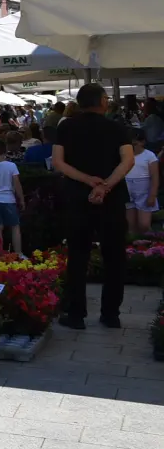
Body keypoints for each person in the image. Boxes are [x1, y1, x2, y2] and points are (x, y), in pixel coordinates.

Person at [54, 83, 133, 330]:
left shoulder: (66, 126)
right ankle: (111, 314)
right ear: (102, 102)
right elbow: (128, 160)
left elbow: (58, 162)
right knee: (114, 256)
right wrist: (106, 185)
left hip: (78, 197)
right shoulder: (118, 127)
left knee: (77, 256)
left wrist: (89, 181)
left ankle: (76, 314)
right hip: (112, 198)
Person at [125, 129, 159, 237]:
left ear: (142, 142)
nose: (133, 146)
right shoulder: (125, 156)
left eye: (135, 143)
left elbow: (155, 177)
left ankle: (149, 246)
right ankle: (133, 248)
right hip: (128, 191)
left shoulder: (149, 156)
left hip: (144, 192)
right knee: (130, 225)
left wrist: (152, 195)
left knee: (144, 224)